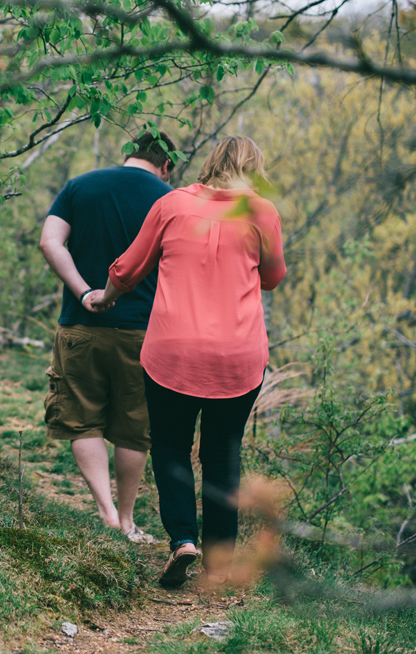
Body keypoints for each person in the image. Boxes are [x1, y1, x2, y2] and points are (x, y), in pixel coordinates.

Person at [94, 136, 286, 585]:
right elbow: (274, 278)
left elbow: (128, 268)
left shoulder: (173, 203)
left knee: (171, 445)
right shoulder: (261, 212)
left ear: (211, 162)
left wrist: (106, 297)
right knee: (223, 454)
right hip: (238, 358)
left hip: (172, 353)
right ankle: (219, 562)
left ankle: (183, 539)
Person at [39, 129, 177, 541]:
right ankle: (129, 519)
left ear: (129, 152)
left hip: (80, 325)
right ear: (166, 165)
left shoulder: (79, 186)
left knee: (83, 420)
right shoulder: (171, 200)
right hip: (145, 333)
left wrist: (83, 292)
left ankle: (106, 510)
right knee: (134, 426)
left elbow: (50, 242)